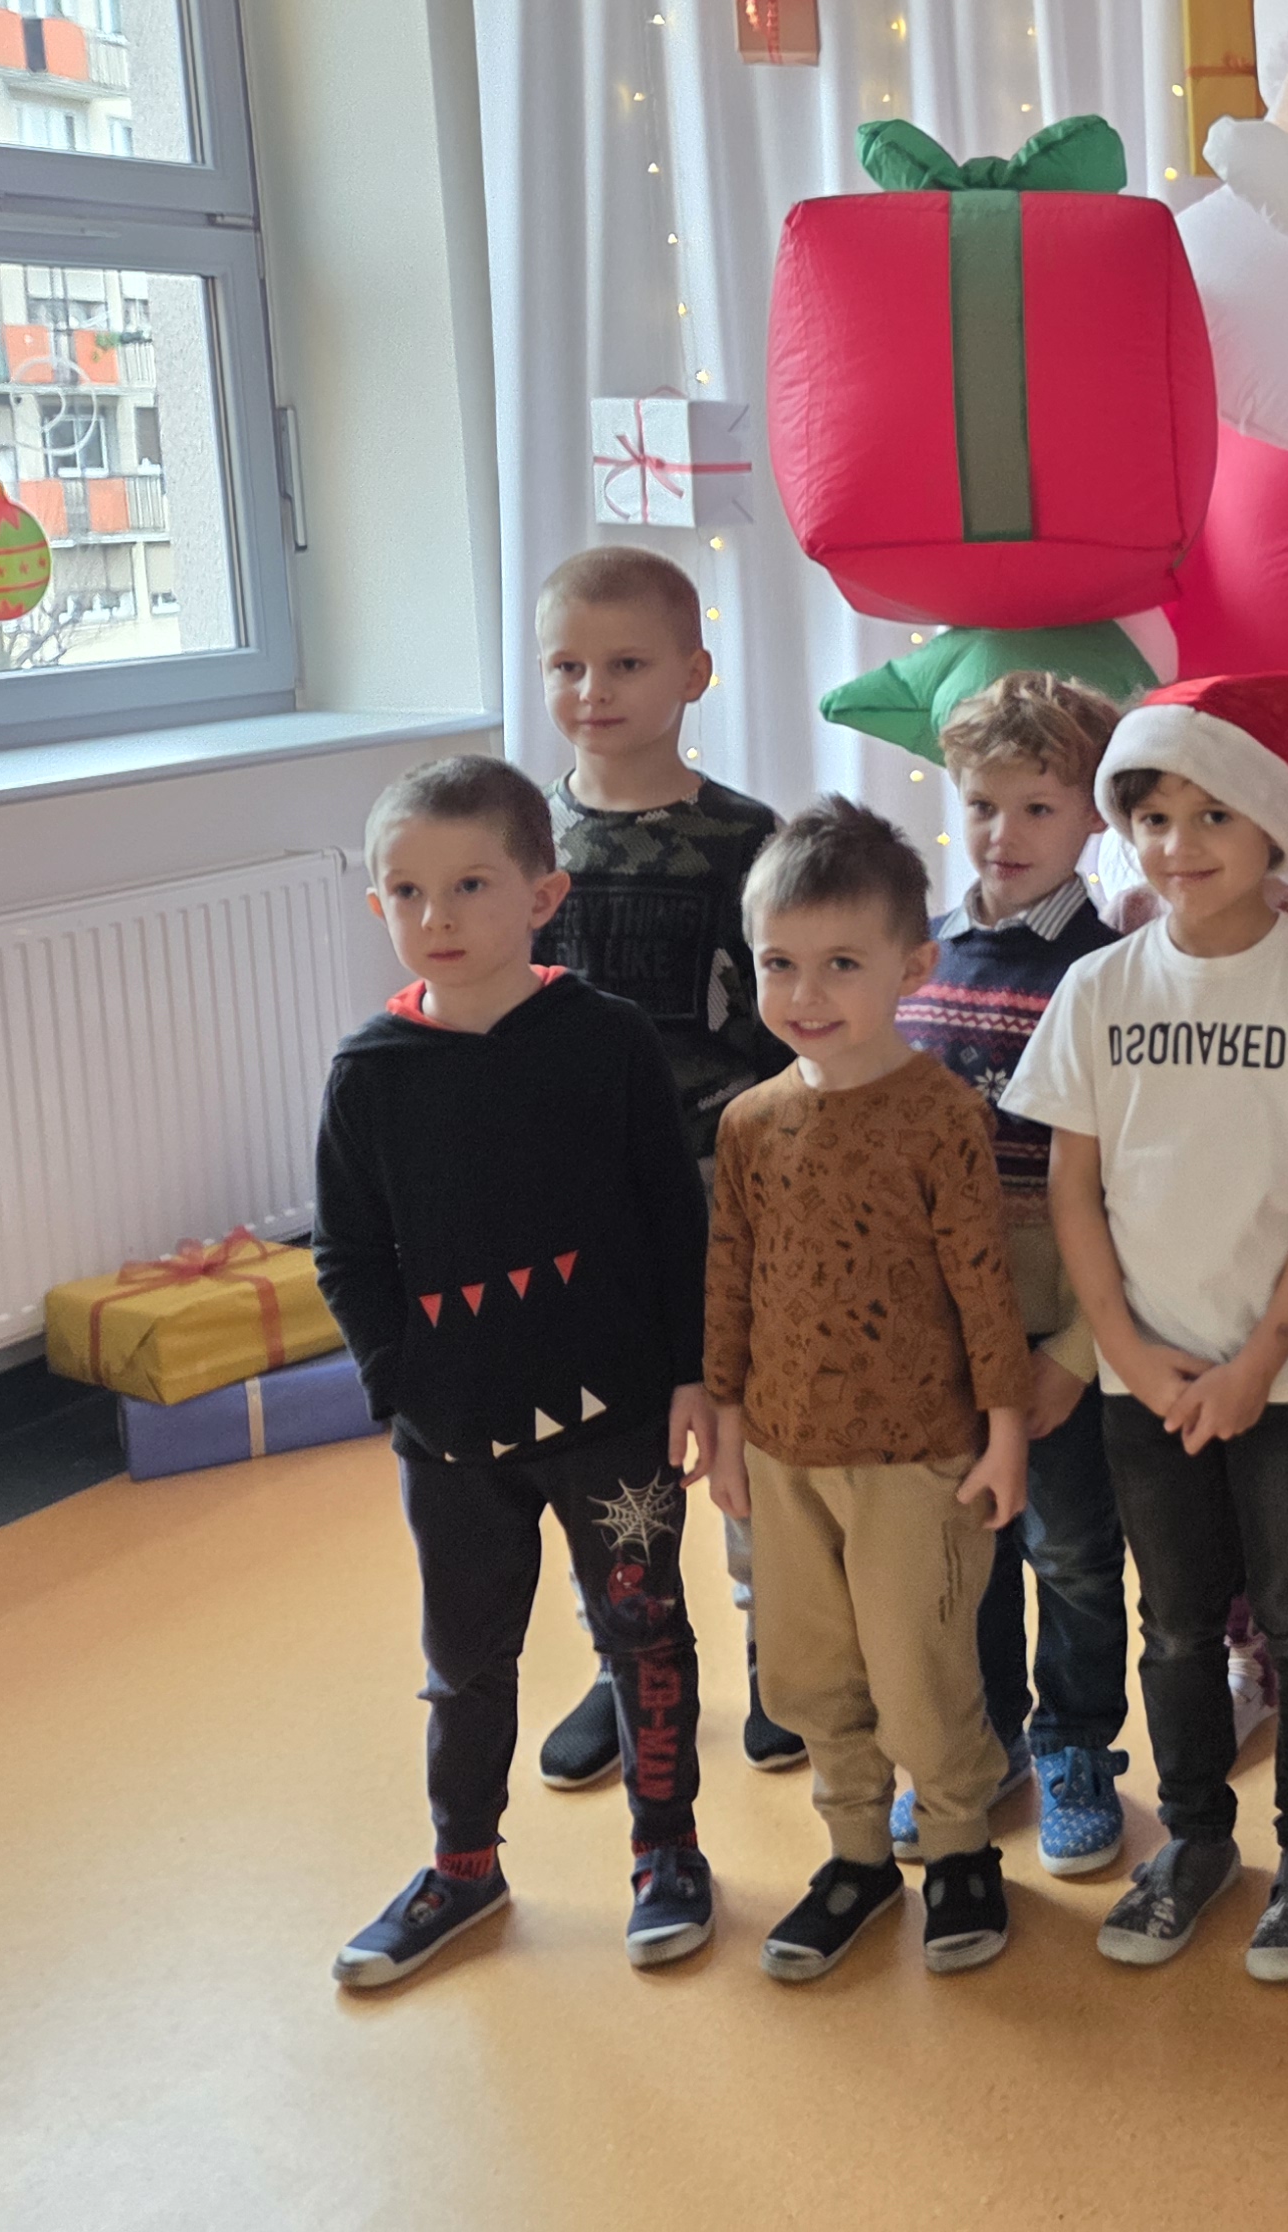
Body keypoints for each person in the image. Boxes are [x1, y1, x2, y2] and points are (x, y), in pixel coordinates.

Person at [1005, 674, 1288, 1984]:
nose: (1178, 845)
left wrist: (1256, 1363)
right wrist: (1126, 1354)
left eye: (1211, 816)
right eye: (1153, 818)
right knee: (1175, 1623)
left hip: (1285, 1380)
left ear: (1271, 826)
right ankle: (1191, 1840)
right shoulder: (1099, 989)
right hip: (1146, 1378)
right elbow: (1073, 1188)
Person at [313, 755, 718, 1988]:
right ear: (377, 905)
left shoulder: (607, 1041)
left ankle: (666, 1852)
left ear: (543, 896)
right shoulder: (370, 1074)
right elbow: (347, 1253)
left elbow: (673, 1216)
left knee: (644, 1633)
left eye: (471, 885)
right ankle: (463, 1866)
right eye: (406, 891)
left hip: (616, 1423)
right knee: (465, 1666)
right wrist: (401, 1385)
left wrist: (693, 1375)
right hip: (451, 1443)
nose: (435, 916)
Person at [703, 800, 1034, 1982]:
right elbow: (731, 1280)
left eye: (842, 963)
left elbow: (983, 1286)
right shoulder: (751, 1124)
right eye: (779, 963)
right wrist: (729, 1430)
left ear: (913, 966)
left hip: (916, 1459)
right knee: (807, 1669)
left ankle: (956, 1848)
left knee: (919, 1668)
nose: (806, 993)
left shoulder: (942, 1116)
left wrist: (1005, 1435)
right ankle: (852, 1853)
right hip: (782, 1455)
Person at [529, 544, 797, 1785]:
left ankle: (781, 1656)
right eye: (567, 666)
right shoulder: (521, 841)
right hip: (584, 1212)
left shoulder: (747, 840)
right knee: (609, 1447)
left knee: (749, 1425)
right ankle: (624, 1660)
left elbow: (791, 1022)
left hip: (725, 1195)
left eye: (626, 664)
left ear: (694, 673)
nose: (593, 691)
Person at [892, 670, 1136, 1880]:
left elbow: (1131, 1190)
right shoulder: (917, 959)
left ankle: (1076, 1744)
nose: (1005, 832)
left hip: (1057, 1340)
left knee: (1074, 1553)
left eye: (1038, 807)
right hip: (944, 1337)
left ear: (1091, 815)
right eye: (983, 804)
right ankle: (978, 1738)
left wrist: (1079, 1353)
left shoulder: (1114, 971)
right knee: (964, 1548)